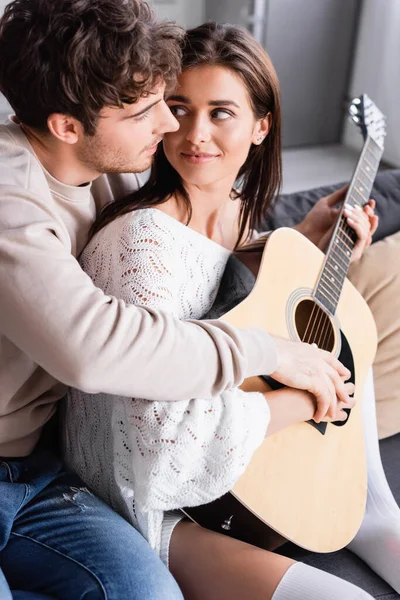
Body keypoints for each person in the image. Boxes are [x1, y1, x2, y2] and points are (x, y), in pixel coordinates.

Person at [0, 2, 349, 598]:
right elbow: (95, 347)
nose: (171, 126)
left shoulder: (108, 158)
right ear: (65, 125)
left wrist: (305, 243)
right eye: (147, 111)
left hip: (37, 469)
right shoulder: (11, 205)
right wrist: (267, 353)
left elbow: (202, 235)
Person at [64, 23, 399, 600]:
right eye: (178, 107)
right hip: (156, 505)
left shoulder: (242, 217)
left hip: (250, 468)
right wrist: (303, 399)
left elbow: (236, 297)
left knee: (347, 328)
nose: (195, 134)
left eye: (221, 112)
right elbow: (160, 452)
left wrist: (306, 238)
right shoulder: (143, 243)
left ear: (261, 126)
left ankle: (371, 509)